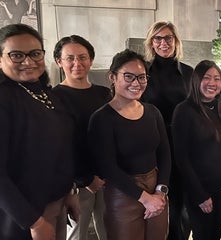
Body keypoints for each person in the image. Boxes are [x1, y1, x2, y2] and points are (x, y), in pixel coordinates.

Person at [0, 23, 76, 240]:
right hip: (22, 217)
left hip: (54, 203)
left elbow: (60, 148)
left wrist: (69, 191)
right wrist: (33, 221)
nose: (28, 61)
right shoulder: (4, 98)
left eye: (35, 53)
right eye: (16, 55)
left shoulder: (46, 93)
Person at [88, 49, 171, 240]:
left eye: (141, 77)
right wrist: (144, 198)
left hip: (156, 190)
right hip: (123, 194)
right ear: (113, 77)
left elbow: (165, 153)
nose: (136, 83)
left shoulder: (153, 112)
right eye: (129, 76)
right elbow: (107, 167)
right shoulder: (101, 118)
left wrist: (160, 191)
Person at [171, 60, 221, 240]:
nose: (212, 83)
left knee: (215, 235)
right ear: (196, 80)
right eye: (207, 78)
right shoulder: (184, 111)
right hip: (201, 189)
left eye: (217, 78)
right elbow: (181, 158)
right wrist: (199, 195)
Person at [52, 35, 111, 240]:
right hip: (76, 183)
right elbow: (60, 145)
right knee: (77, 234)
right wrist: (85, 179)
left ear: (91, 60)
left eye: (83, 57)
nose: (77, 63)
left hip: (108, 178)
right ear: (59, 62)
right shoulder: (54, 97)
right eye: (70, 58)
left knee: (110, 231)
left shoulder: (105, 94)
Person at [142, 21, 193, 240]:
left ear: (176, 41)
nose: (164, 43)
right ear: (151, 43)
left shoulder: (189, 73)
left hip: (183, 146)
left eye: (168, 38)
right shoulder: (142, 71)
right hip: (153, 147)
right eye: (158, 38)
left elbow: (195, 111)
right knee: (158, 204)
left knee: (183, 206)